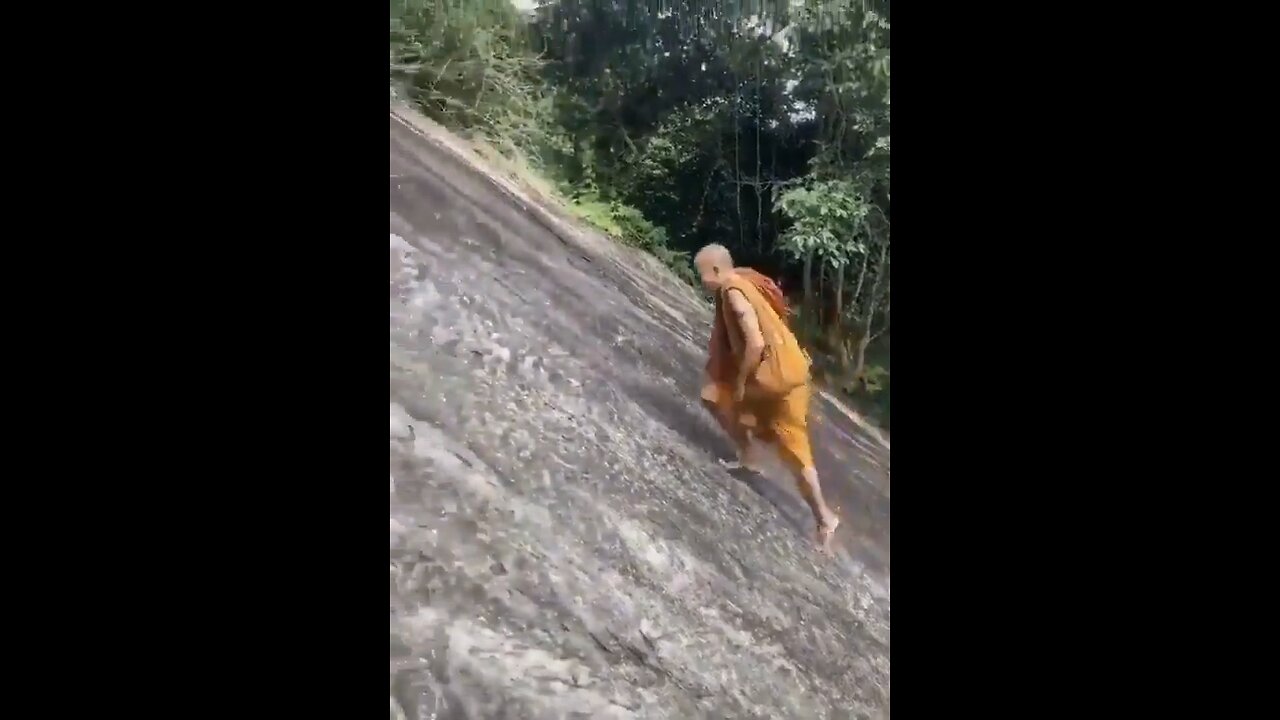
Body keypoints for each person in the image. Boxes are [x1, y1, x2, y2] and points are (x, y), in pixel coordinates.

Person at [694, 243, 841, 552]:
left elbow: (756, 343)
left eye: (703, 274)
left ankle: (748, 454)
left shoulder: (733, 290)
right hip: (794, 374)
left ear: (717, 270)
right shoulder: (749, 280)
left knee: (715, 396)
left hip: (769, 380)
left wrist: (742, 381)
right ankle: (824, 517)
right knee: (797, 450)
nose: (702, 282)